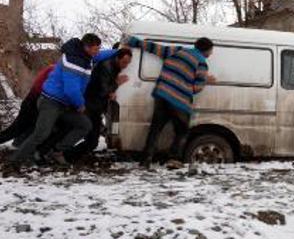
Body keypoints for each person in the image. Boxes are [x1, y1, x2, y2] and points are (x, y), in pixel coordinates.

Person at [8, 33, 117, 166]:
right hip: (50, 102)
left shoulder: (85, 56)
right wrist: (80, 104)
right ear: (87, 47)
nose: (98, 51)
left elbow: (101, 55)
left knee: (84, 125)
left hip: (64, 104)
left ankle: (57, 150)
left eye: (99, 48)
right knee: (41, 133)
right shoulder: (73, 62)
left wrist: (120, 50)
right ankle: (15, 160)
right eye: (96, 48)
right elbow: (71, 89)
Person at [126, 36, 215, 167]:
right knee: (182, 131)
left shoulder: (178, 51)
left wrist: (134, 42)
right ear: (206, 50)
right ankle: (174, 159)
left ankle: (146, 160)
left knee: (155, 129)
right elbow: (197, 88)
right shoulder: (202, 63)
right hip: (179, 101)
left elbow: (155, 48)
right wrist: (206, 80)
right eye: (211, 51)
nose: (211, 53)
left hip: (162, 95)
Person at [64, 47, 133, 162]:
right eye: (124, 62)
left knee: (91, 140)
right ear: (117, 58)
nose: (126, 65)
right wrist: (116, 84)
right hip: (90, 106)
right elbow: (102, 90)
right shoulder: (106, 67)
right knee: (88, 137)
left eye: (128, 63)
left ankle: (67, 155)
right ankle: (64, 154)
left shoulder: (112, 66)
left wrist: (110, 91)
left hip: (95, 107)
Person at [0, 64, 55, 146]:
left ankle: (17, 144)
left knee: (26, 128)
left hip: (32, 99)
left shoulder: (54, 68)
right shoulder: (55, 71)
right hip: (34, 101)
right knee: (16, 129)